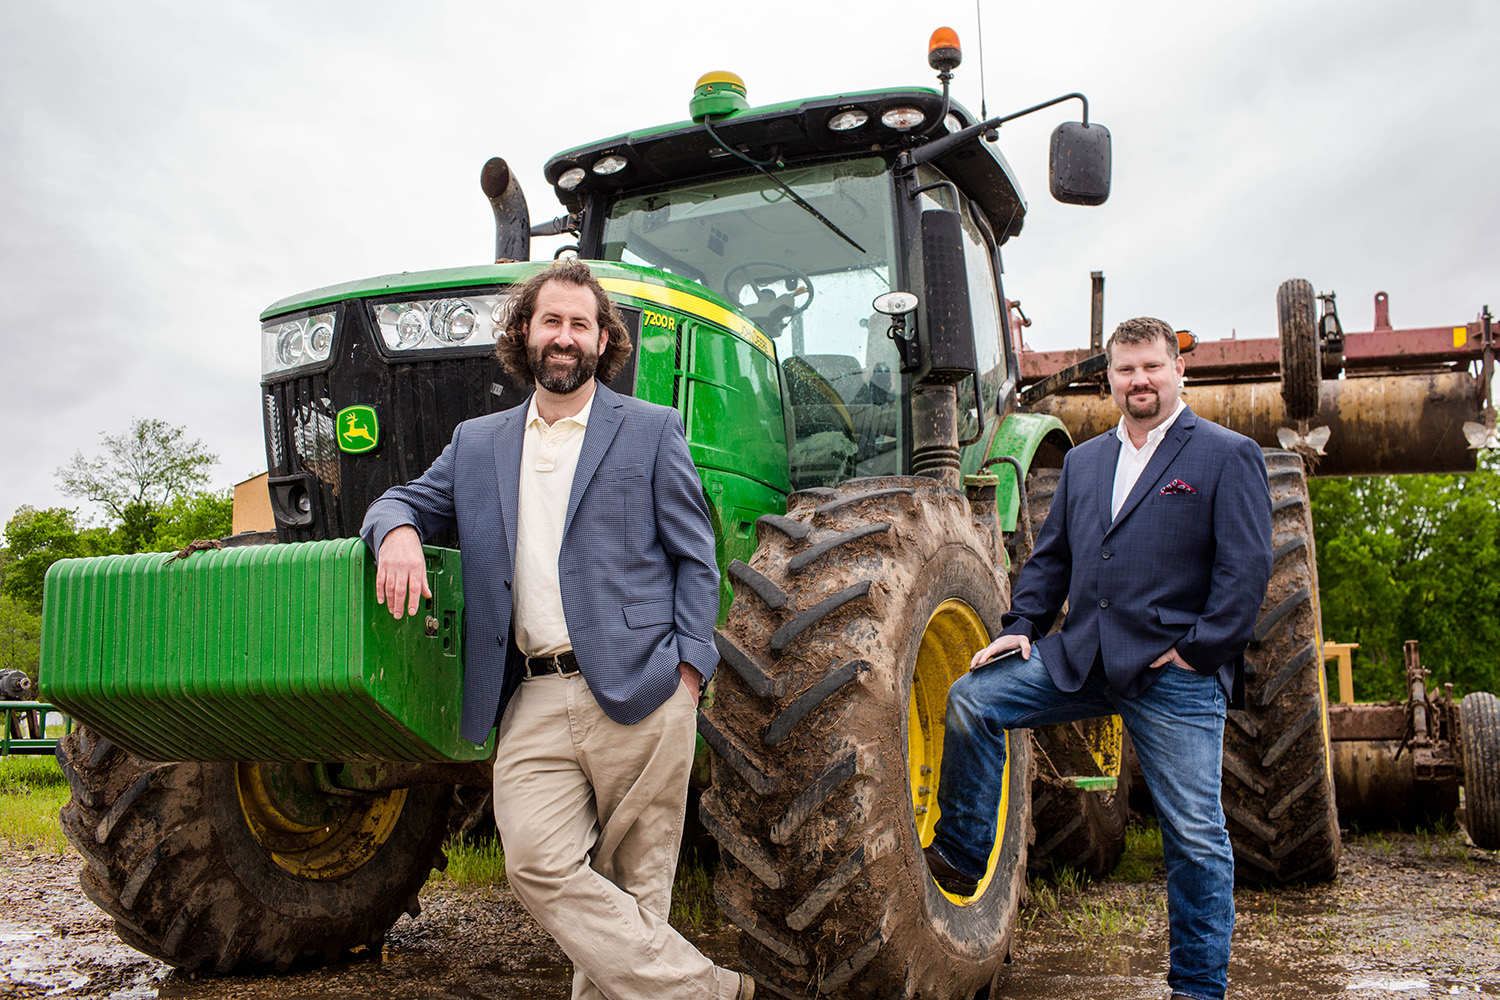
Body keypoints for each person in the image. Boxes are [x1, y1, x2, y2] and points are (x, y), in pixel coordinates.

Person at [361, 259, 751, 1000]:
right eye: (552, 321)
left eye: (581, 324)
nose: (565, 337)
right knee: (536, 865)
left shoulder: (651, 429)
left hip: (643, 682)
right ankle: (709, 992)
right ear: (525, 333)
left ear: (605, 341)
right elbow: (401, 499)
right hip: (532, 695)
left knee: (639, 887)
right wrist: (399, 533)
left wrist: (689, 672)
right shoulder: (478, 444)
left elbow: (698, 559)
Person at [925, 317, 1272, 1000]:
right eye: (1125, 370)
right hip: (1081, 656)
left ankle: (1199, 988)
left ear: (1179, 371)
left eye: (1151, 367)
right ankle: (963, 854)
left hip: (1174, 674)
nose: (1138, 381)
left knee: (1195, 838)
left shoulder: (1226, 454)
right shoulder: (1085, 462)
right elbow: (1051, 561)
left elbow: (1246, 573)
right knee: (975, 698)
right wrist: (1021, 624)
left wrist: (1194, 651)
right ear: (1109, 377)